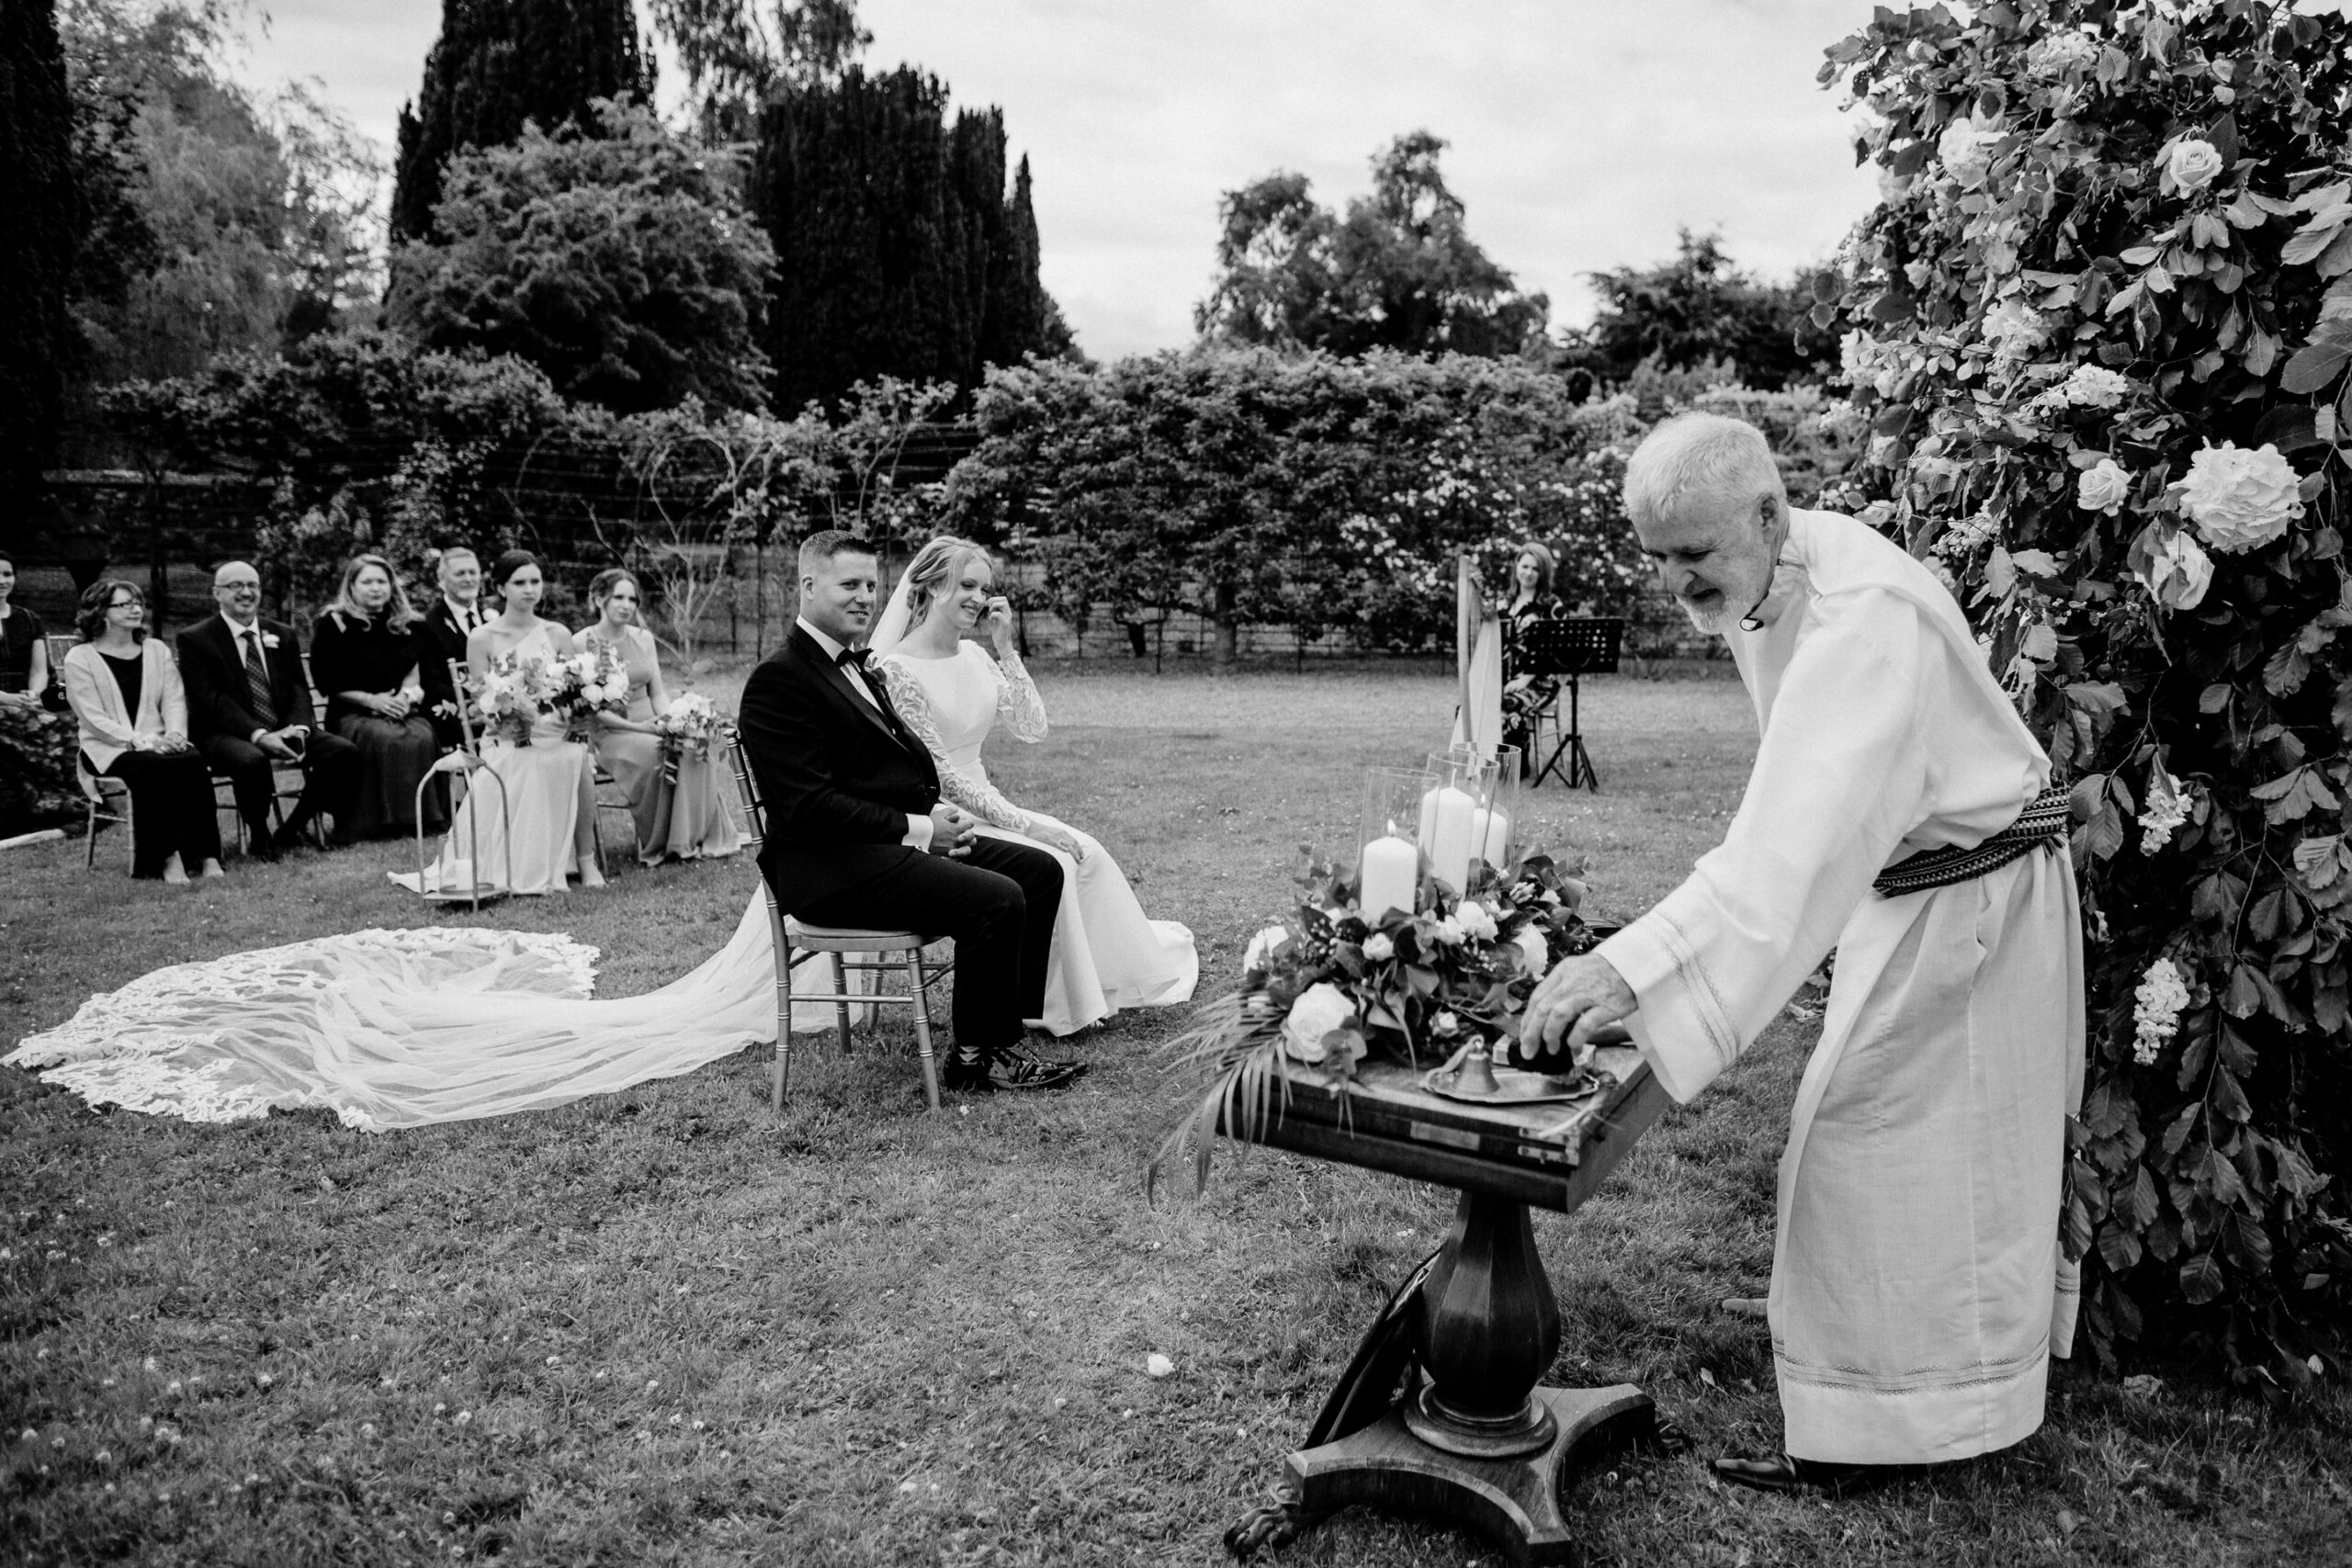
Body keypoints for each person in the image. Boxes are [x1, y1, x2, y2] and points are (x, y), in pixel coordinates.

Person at [1516, 412, 2082, 1496]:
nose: (1677, 583)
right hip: (1915, 890)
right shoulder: (1776, 572)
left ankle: (1882, 1423)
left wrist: (1627, 969)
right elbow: (1799, 796)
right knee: (1895, 1144)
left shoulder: (1864, 618)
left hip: (1970, 907)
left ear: (1768, 514)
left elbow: (1785, 852)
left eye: (1694, 555)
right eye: (1658, 559)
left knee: (1876, 1139)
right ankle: (1872, 1350)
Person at [736, 530, 1080, 1093]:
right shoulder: (780, 679)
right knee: (997, 898)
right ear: (807, 586)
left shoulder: (858, 664)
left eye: (871, 585)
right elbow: (809, 808)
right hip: (831, 869)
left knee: (1039, 872)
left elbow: (898, 768)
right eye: (848, 584)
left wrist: (937, 815)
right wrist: (922, 831)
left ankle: (998, 1034)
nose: (864, 597)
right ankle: (973, 1059)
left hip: (884, 845)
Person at [871, 536, 1196, 1034]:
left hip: (989, 802)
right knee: (1058, 860)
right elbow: (940, 776)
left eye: (985, 588)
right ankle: (1041, 1003)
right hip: (944, 816)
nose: (979, 598)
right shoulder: (897, 670)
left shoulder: (978, 657)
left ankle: (1096, 986)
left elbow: (1031, 728)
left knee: (1087, 852)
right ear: (934, 586)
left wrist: (1006, 650)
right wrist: (1028, 825)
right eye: (967, 585)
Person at [419, 549, 603, 895]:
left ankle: (586, 859)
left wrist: (579, 720)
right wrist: (509, 718)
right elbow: (483, 703)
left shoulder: (558, 633)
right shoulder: (483, 638)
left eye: (535, 581)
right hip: (508, 734)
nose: (529, 589)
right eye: (520, 583)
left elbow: (577, 690)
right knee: (524, 759)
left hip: (558, 732)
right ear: (502, 589)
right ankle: (527, 860)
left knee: (576, 756)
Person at [175, 560, 360, 856]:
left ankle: (293, 827)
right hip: (222, 733)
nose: (246, 592)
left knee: (342, 752)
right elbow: (211, 700)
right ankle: (259, 833)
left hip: (282, 726)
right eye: (236, 586)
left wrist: (299, 728)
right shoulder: (196, 639)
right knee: (251, 761)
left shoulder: (282, 633)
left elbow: (299, 688)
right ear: (217, 593)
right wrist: (259, 734)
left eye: (253, 585)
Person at [59, 578, 223, 882]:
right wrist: (139, 741)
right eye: (125, 604)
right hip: (108, 748)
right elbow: (91, 717)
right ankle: (166, 858)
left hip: (160, 741)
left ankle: (207, 855)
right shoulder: (80, 658)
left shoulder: (156, 650)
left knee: (193, 760)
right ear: (101, 612)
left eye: (138, 603)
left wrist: (175, 734)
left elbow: (173, 700)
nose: (136, 609)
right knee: (152, 767)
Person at [578, 568, 741, 864]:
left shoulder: (643, 638)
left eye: (633, 600)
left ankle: (692, 837)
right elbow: (591, 709)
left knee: (691, 744)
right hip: (612, 732)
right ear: (599, 598)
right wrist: (639, 727)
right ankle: (662, 841)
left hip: (651, 723)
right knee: (657, 754)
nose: (627, 606)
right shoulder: (582, 642)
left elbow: (656, 693)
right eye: (619, 598)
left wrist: (672, 721)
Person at [309, 554, 448, 840]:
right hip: (352, 711)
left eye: (381, 581)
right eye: (367, 581)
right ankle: (378, 821)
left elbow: (415, 671)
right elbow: (329, 682)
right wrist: (372, 701)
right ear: (352, 586)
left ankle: (421, 819)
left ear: (391, 586)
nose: (376, 588)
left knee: (422, 734)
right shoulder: (333, 623)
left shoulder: (408, 624)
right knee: (382, 738)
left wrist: (404, 699)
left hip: (399, 706)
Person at [0, 548, 81, 833]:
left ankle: (77, 797)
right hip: (3, 700)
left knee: (66, 717)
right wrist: (8, 699)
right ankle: (29, 803)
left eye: (7, 574)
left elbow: (38, 670)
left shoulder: (29, 619)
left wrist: (34, 696)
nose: (1, 581)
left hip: (26, 697)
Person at [1496, 542, 1566, 773]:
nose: (1528, 573)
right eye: (1524, 566)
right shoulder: (1504, 603)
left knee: (1509, 702)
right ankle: (1482, 760)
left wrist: (1525, 679)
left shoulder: (1551, 606)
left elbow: (1555, 651)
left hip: (1538, 682)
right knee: (1469, 705)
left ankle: (1514, 767)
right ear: (1516, 567)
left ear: (1543, 573)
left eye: (1535, 569)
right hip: (1505, 679)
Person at [416, 546, 489, 750]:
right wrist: (473, 704)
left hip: (496, 706)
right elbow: (430, 683)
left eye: (473, 572)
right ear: (442, 580)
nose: (468, 578)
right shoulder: (428, 625)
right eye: (460, 573)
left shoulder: (493, 617)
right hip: (453, 710)